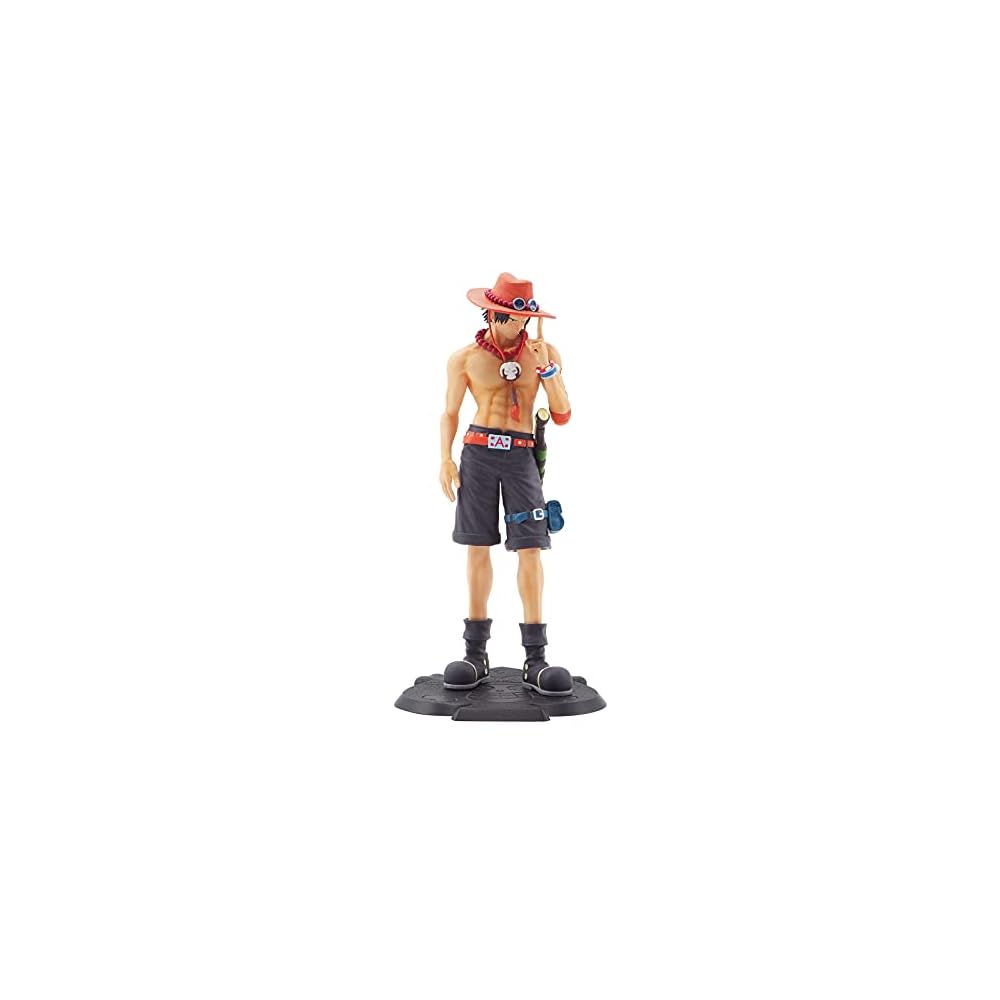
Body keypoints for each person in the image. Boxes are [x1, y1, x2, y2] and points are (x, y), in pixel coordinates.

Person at [439, 273, 573, 696]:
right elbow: (449, 413)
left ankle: (536, 658)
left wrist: (547, 368)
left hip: (521, 455)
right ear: (494, 314)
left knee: (531, 546)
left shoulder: (543, 354)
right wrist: (444, 458)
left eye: (526, 317)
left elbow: (563, 413)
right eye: (514, 317)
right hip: (478, 453)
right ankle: (475, 653)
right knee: (477, 546)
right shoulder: (464, 358)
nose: (522, 324)